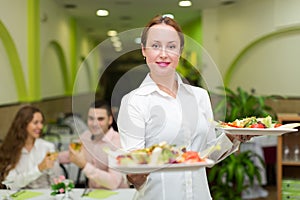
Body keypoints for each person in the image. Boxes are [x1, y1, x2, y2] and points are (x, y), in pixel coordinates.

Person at [117, 15, 251, 199]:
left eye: (171, 46)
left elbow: (208, 154)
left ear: (180, 52)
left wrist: (232, 136)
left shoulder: (199, 96)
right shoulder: (134, 101)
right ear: (144, 50)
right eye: (155, 46)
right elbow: (133, 171)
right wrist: (135, 174)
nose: (163, 54)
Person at [60, 100, 128, 189]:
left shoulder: (117, 143)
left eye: (100, 119)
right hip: (92, 194)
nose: (95, 124)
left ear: (110, 120)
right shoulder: (85, 136)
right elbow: (71, 155)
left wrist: (84, 166)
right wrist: (52, 157)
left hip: (118, 195)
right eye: (91, 118)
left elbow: (113, 182)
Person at [0, 105, 62, 189]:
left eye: (41, 122)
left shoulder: (47, 147)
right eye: (35, 123)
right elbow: (12, 184)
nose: (40, 127)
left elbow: (57, 180)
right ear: (23, 124)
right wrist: (39, 169)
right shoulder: (11, 149)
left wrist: (52, 169)